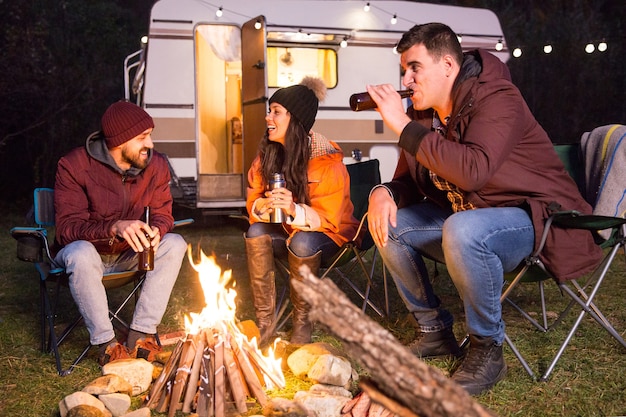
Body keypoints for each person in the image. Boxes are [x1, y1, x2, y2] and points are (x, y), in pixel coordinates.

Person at [365, 23, 603, 395]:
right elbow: (409, 183)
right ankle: (433, 332)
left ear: (447, 64)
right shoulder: (426, 115)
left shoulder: (498, 98)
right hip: (472, 216)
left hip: (535, 218)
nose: (407, 80)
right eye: (403, 71)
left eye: (415, 68)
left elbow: (473, 171)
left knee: (463, 229)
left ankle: (487, 348)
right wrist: (383, 192)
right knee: (390, 223)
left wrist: (400, 123)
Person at [53, 100, 188, 366]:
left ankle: (140, 334)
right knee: (80, 252)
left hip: (129, 254)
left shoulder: (156, 165)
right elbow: (67, 229)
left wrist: (156, 231)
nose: (149, 144)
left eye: (149, 135)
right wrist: (114, 227)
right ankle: (106, 344)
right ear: (119, 141)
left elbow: (163, 214)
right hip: (87, 256)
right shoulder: (74, 165)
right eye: (142, 137)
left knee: (174, 243)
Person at [245, 77, 360, 345]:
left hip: (331, 236)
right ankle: (265, 325)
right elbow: (253, 201)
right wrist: (266, 204)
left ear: (295, 119)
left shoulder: (326, 160)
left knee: (302, 240)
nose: (267, 117)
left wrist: (293, 209)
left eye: (276, 112)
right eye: (269, 110)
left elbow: (330, 219)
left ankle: (302, 323)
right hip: (289, 231)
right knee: (255, 231)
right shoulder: (268, 156)